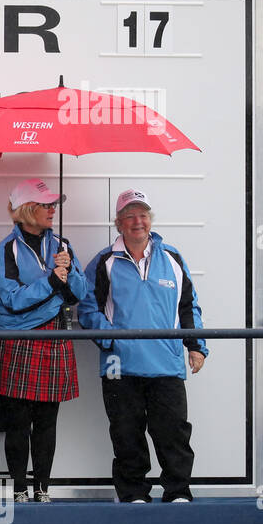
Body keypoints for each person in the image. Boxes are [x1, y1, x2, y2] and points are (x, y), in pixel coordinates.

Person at [78, 189, 207, 503]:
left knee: (173, 432)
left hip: (167, 363)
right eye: (130, 216)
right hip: (119, 365)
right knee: (126, 433)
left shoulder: (173, 259)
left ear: (150, 220)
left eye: (143, 215)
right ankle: (133, 493)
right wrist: (110, 339)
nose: (138, 221)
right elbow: (86, 308)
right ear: (119, 223)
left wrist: (195, 345)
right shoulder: (104, 262)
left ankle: (178, 491)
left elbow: (188, 306)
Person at [0, 179, 88, 503]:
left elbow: (80, 294)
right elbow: (12, 299)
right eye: (46, 205)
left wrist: (68, 273)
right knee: (18, 421)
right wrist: (51, 282)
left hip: (55, 335)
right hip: (20, 338)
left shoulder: (62, 245)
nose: (52, 210)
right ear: (28, 209)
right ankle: (17, 489)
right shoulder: (6, 250)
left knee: (47, 420)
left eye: (54, 205)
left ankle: (42, 488)